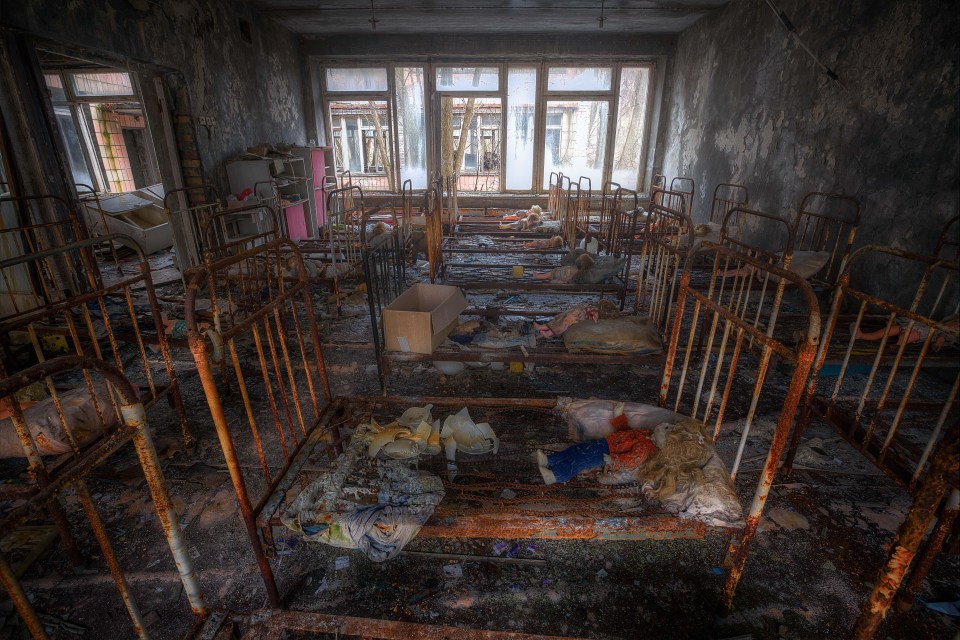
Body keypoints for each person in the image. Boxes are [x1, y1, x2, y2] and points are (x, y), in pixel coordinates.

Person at [536, 424, 657, 485]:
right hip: (606, 442)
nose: (661, 427)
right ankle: (549, 460)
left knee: (580, 460)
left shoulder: (646, 447)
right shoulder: (644, 434)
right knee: (576, 449)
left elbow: (634, 459)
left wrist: (614, 460)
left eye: (666, 429)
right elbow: (626, 431)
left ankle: (556, 476)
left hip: (608, 452)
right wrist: (619, 417)